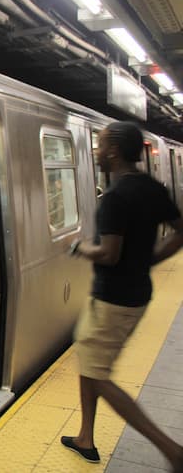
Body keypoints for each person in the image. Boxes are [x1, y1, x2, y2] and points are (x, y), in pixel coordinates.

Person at [63, 121, 183, 468]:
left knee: (98, 375)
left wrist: (81, 248)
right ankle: (85, 436)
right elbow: (180, 231)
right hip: (136, 293)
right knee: (89, 361)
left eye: (99, 145)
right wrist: (149, 260)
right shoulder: (151, 188)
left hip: (113, 299)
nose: (97, 152)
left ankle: (171, 449)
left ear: (113, 151)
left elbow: (109, 253)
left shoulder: (115, 197)